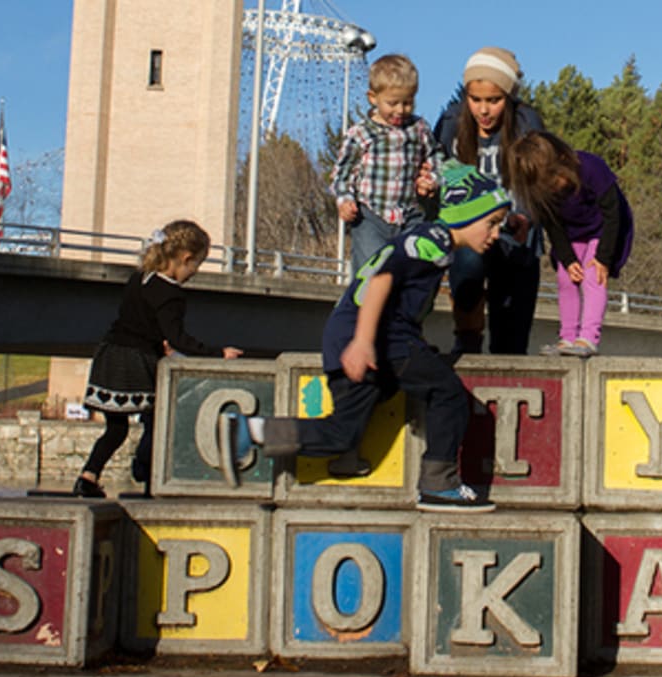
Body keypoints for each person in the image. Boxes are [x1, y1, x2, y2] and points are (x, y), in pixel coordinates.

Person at [221, 162, 511, 513]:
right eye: (491, 223)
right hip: (377, 337)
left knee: (340, 434)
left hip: (351, 334)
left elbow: (401, 296)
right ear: (464, 215)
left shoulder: (427, 240)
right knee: (447, 393)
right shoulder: (434, 241)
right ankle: (439, 483)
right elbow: (379, 282)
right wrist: (363, 341)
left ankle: (250, 430)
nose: (495, 234)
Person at [75, 220, 243, 498]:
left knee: (115, 429)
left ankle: (88, 476)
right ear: (186, 259)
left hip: (110, 354)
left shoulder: (138, 278)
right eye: (196, 266)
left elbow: (137, 321)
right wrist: (217, 352)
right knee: (157, 420)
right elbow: (176, 337)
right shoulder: (171, 293)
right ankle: (149, 478)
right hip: (136, 361)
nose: (194, 273)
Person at [432, 46, 545, 355]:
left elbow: (540, 183)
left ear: (508, 98)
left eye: (493, 101)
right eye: (476, 100)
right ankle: (467, 336)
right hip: (471, 238)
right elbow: (437, 177)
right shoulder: (452, 122)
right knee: (466, 262)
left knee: (510, 345)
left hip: (516, 239)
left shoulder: (526, 123)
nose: (483, 110)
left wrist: (525, 216)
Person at [508, 131, 633, 358]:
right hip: (572, 233)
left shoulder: (591, 167)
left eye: (554, 181)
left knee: (593, 274)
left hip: (605, 228)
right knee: (566, 278)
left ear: (563, 161)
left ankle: (588, 337)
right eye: (546, 186)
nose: (554, 189)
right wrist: (567, 259)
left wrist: (604, 257)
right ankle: (567, 337)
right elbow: (553, 227)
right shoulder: (540, 193)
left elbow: (614, 213)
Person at [330, 53, 441, 273]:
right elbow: (341, 174)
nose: (400, 110)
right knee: (374, 270)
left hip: (409, 213)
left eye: (408, 103)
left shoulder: (419, 128)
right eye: (392, 103)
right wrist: (344, 200)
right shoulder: (361, 133)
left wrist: (432, 179)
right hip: (371, 215)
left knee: (410, 269)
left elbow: (435, 158)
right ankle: (363, 306)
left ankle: (405, 305)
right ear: (373, 97)